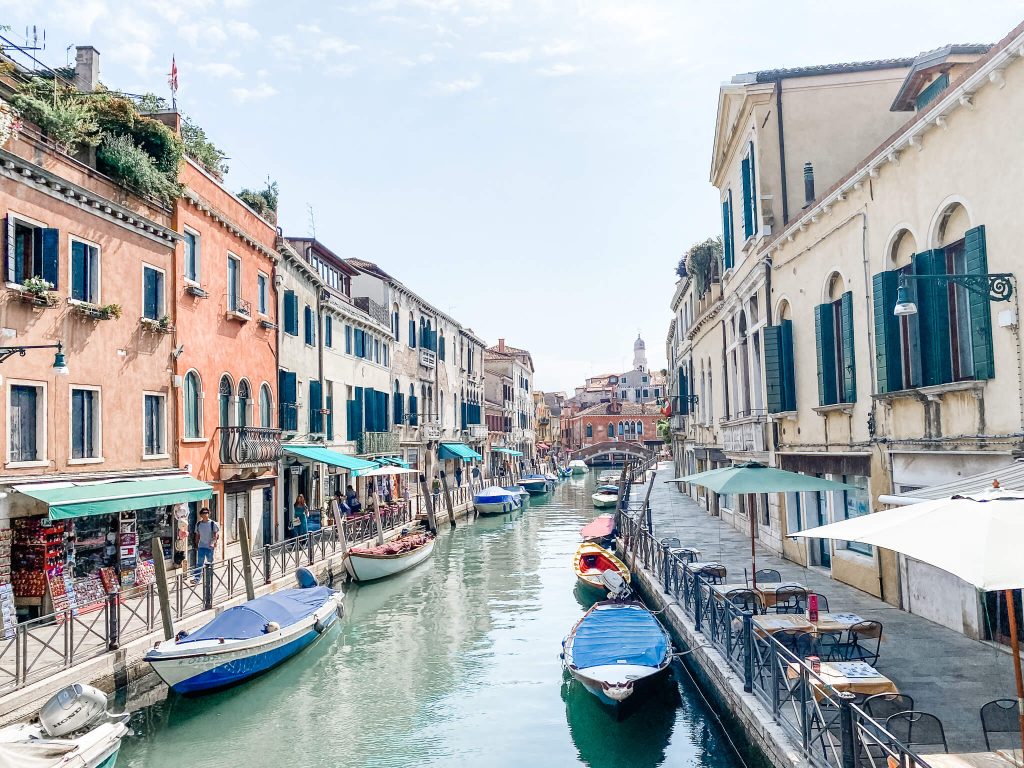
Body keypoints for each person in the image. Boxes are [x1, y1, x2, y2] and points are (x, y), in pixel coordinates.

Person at [192, 508, 219, 582]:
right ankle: (197, 579)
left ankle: (209, 577)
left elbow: (215, 534)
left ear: (209, 513)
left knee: (210, 562)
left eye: (206, 512)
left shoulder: (213, 524)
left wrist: (213, 543)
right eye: (203, 513)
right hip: (201, 546)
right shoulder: (198, 524)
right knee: (199, 563)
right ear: (201, 515)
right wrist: (196, 544)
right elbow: (197, 535)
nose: (205, 514)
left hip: (209, 547)